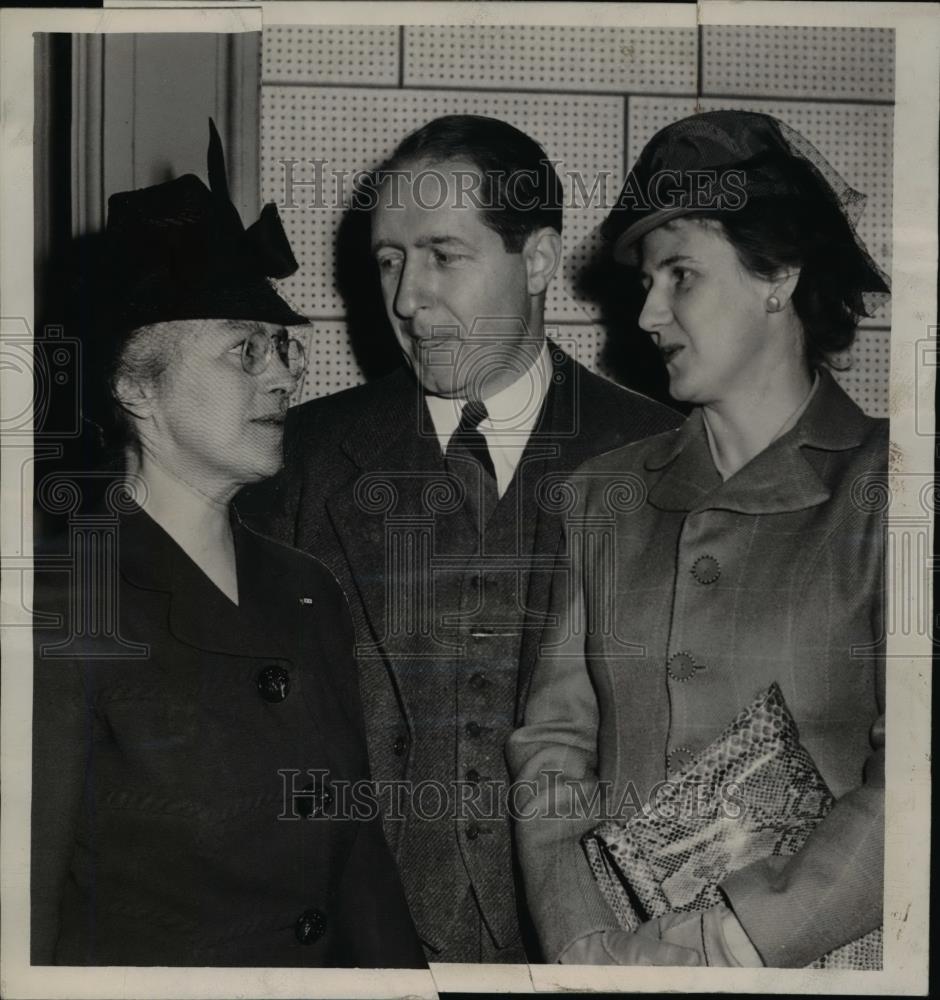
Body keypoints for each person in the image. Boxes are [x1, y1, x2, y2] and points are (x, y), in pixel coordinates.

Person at [238, 114, 681, 963]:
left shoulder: (663, 459)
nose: (407, 298)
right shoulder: (295, 461)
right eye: (390, 262)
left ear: (540, 260)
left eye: (444, 256)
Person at [30, 123, 426, 968]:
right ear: (137, 388)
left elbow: (359, 867)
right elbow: (23, 925)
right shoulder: (60, 608)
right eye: (244, 350)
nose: (284, 374)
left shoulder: (306, 589)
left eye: (283, 345)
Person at [507, 110, 889, 968]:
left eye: (681, 275)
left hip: (825, 961)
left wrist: (747, 934)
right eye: (647, 281)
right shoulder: (602, 495)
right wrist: (582, 939)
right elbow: (554, 744)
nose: (649, 311)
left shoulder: (891, 486)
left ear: (778, 275)